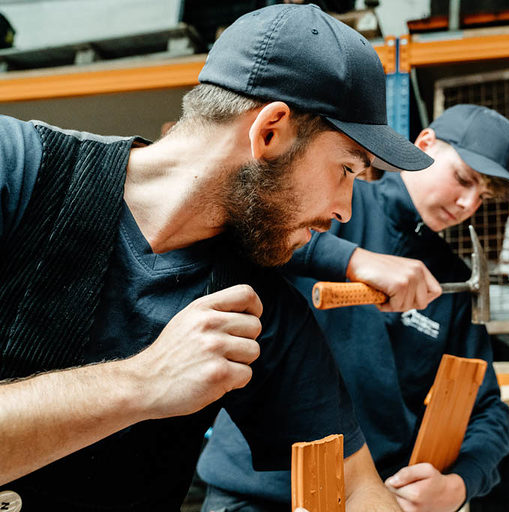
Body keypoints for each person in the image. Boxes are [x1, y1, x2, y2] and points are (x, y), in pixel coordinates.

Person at [0, 5, 441, 510]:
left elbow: (359, 487)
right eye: (346, 169)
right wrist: (141, 383)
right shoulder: (18, 171)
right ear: (270, 132)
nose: (345, 209)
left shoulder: (251, 311)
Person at [197, 104, 509, 512]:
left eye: (484, 195)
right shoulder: (336, 204)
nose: (467, 203)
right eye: (463, 179)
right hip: (255, 492)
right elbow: (239, 223)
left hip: (366, 499)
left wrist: (459, 486)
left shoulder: (450, 282)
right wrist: (352, 260)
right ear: (425, 144)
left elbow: (489, 412)